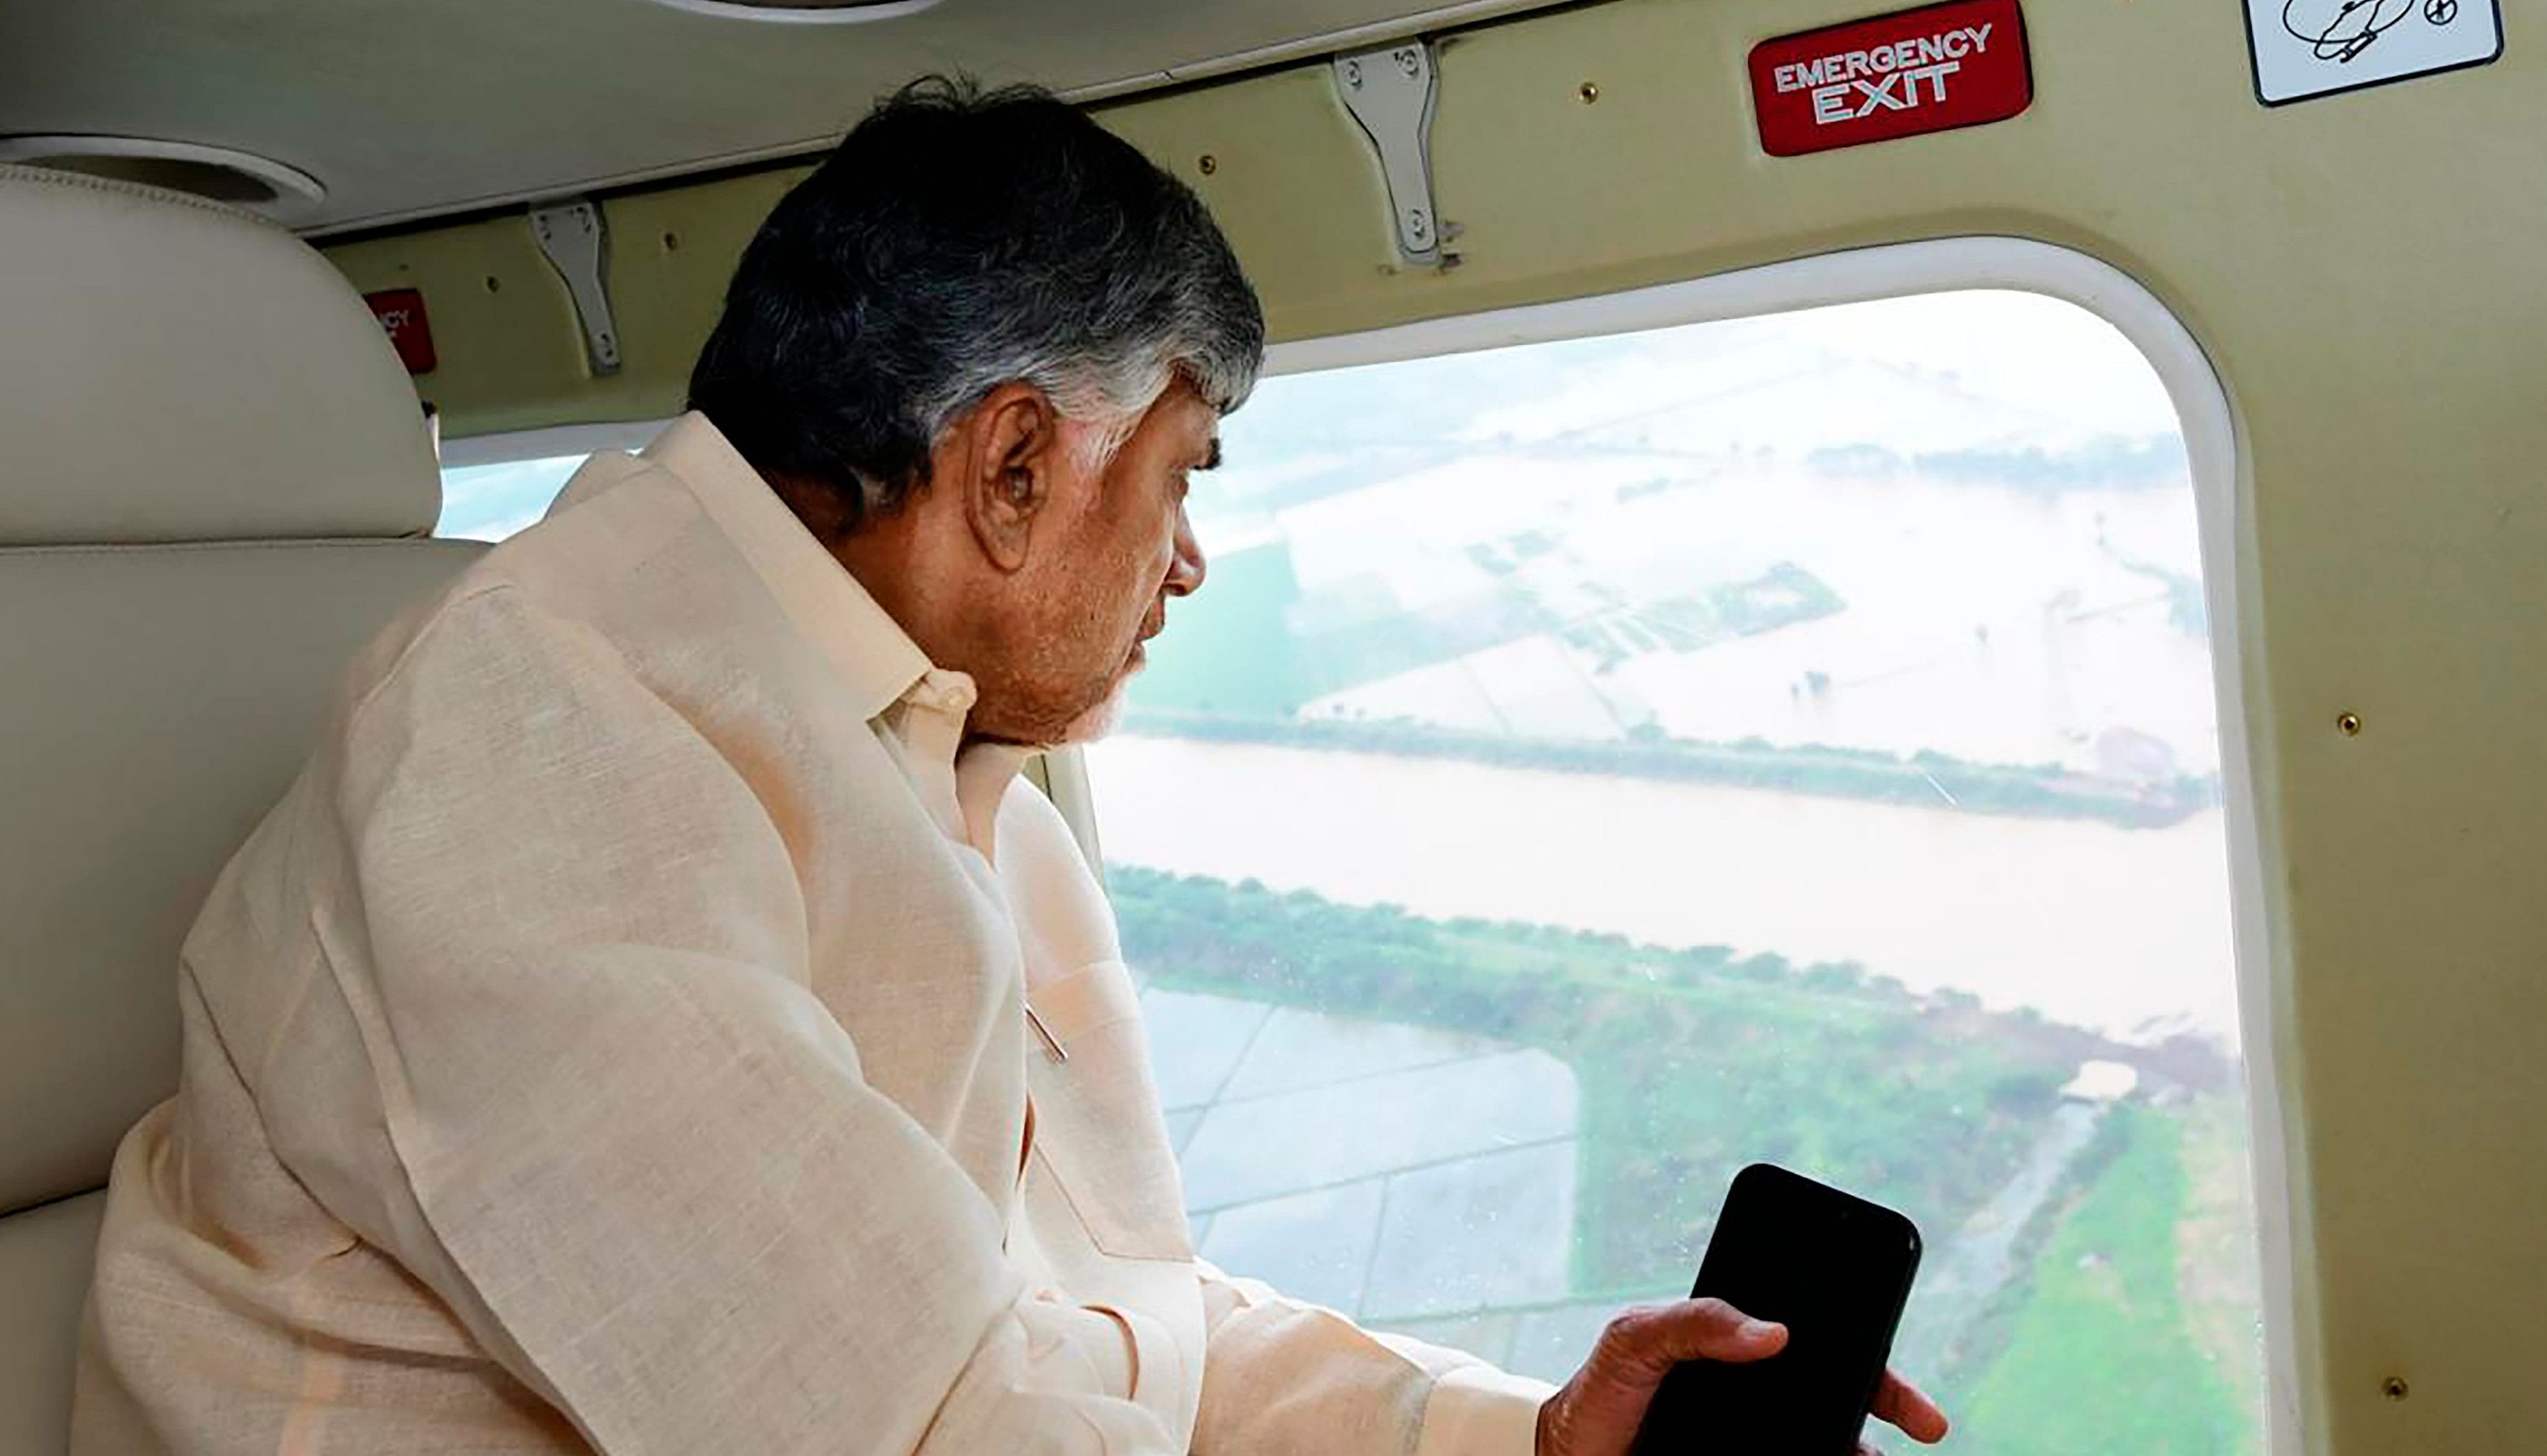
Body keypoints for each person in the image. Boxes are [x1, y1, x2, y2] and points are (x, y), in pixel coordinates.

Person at [72, 78, 1949, 1456]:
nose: (1192, 563)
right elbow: (926, 1427)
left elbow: (1105, 1328)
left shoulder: (955, 761)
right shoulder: (532, 741)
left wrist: (1533, 1435)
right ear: (1017, 466)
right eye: (1181, 481)